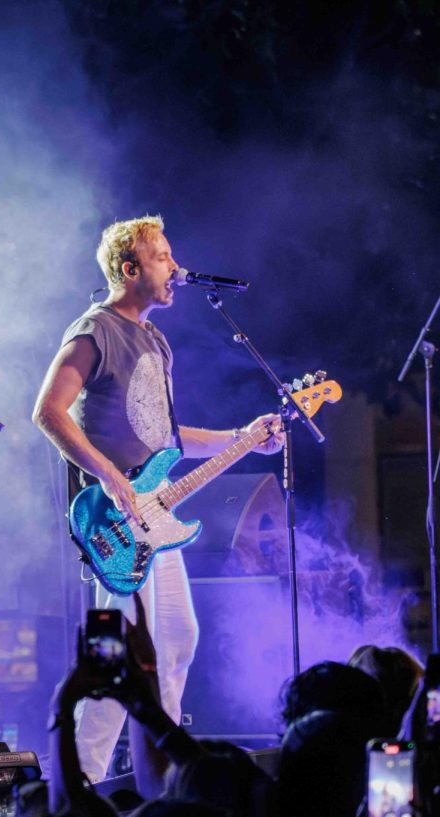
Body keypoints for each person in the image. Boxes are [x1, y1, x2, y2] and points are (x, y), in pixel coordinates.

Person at [33, 215, 283, 783]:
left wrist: (243, 438)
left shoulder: (157, 341)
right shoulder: (96, 329)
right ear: (130, 269)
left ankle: (162, 777)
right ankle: (85, 790)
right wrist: (108, 478)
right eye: (164, 257)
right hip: (114, 521)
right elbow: (48, 411)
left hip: (153, 519)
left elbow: (167, 440)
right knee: (117, 662)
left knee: (175, 641)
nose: (176, 267)